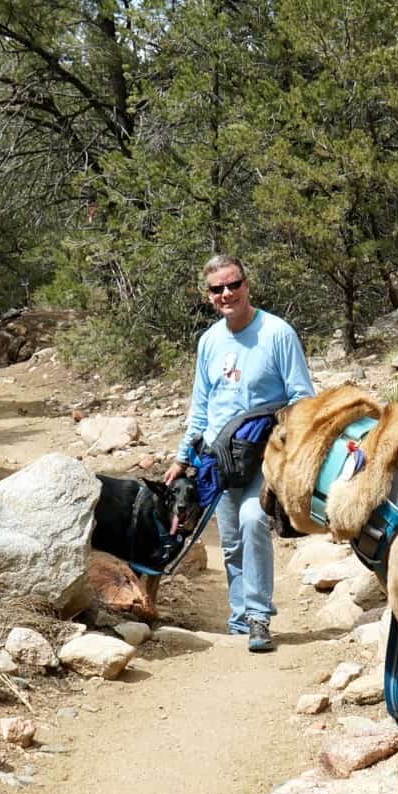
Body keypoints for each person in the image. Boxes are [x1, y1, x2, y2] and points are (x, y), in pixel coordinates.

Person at [162, 255, 315, 652]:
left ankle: (259, 617)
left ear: (247, 285)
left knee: (252, 521)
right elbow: (201, 406)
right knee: (230, 541)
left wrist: (291, 446)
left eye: (233, 285)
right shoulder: (209, 341)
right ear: (208, 295)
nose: (226, 294)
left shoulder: (277, 333)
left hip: (264, 453)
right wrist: (182, 458)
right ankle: (238, 619)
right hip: (218, 457)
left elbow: (302, 397)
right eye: (217, 289)